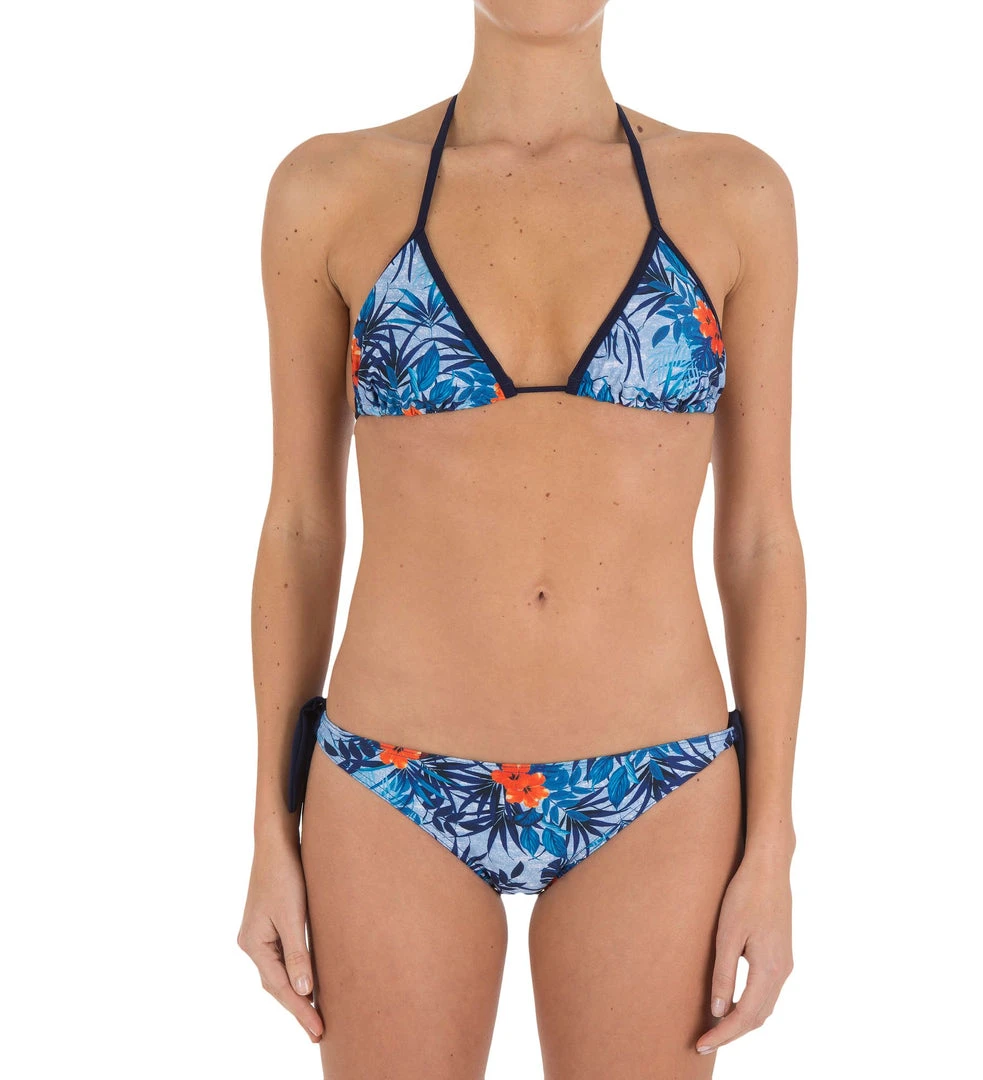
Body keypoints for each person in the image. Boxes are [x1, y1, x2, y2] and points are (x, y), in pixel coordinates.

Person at [237, 2, 803, 1075]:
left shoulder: (735, 193)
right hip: (391, 777)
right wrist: (270, 822)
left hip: (660, 782)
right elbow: (302, 523)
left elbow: (762, 537)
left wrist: (772, 840)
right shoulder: (331, 190)